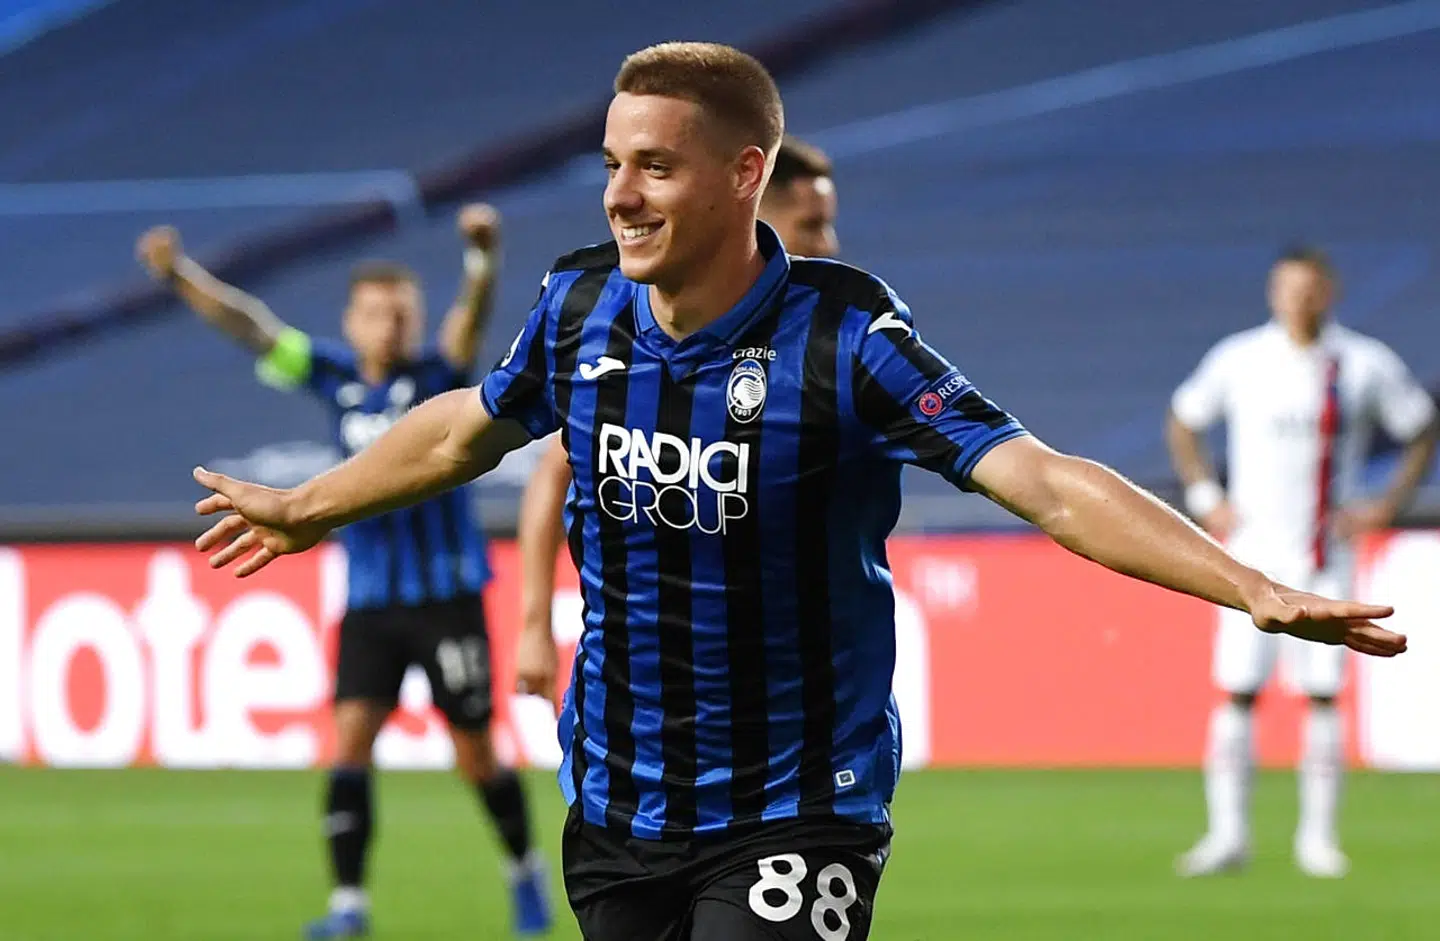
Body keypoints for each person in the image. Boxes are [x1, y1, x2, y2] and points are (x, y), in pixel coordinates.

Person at [186, 43, 1407, 941]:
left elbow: (1046, 482)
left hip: (795, 807)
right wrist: (310, 505)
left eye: (654, 167)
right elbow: (465, 428)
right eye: (612, 164)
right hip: (613, 802)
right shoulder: (577, 305)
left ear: (743, 174)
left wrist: (1245, 583)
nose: (620, 194)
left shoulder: (850, 336)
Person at [136, 207, 552, 939]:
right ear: (351, 322)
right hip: (370, 603)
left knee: (475, 752)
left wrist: (482, 261)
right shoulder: (332, 375)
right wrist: (180, 274)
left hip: (447, 595)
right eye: (376, 312)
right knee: (350, 743)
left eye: (402, 312)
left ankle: (523, 868)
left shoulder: (439, 377)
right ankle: (349, 905)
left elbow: (468, 323)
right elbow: (251, 325)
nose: (390, 325)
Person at [514, 133, 840, 693]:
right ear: (755, 214)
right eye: (811, 224)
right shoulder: (636, 334)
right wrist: (534, 623)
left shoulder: (838, 339)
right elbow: (549, 472)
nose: (828, 244)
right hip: (651, 683)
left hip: (795, 679)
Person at [1167, 245, 1437, 879]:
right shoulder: (1241, 359)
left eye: (1310, 288)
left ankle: (1318, 840)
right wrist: (1206, 497)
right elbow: (1183, 421)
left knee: (1322, 695)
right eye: (1288, 288)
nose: (1299, 299)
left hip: (1323, 555)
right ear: (1273, 293)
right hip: (1248, 560)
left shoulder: (1362, 363)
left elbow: (1421, 428)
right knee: (1237, 692)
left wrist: (1386, 504)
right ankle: (1227, 835)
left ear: (1329, 291)